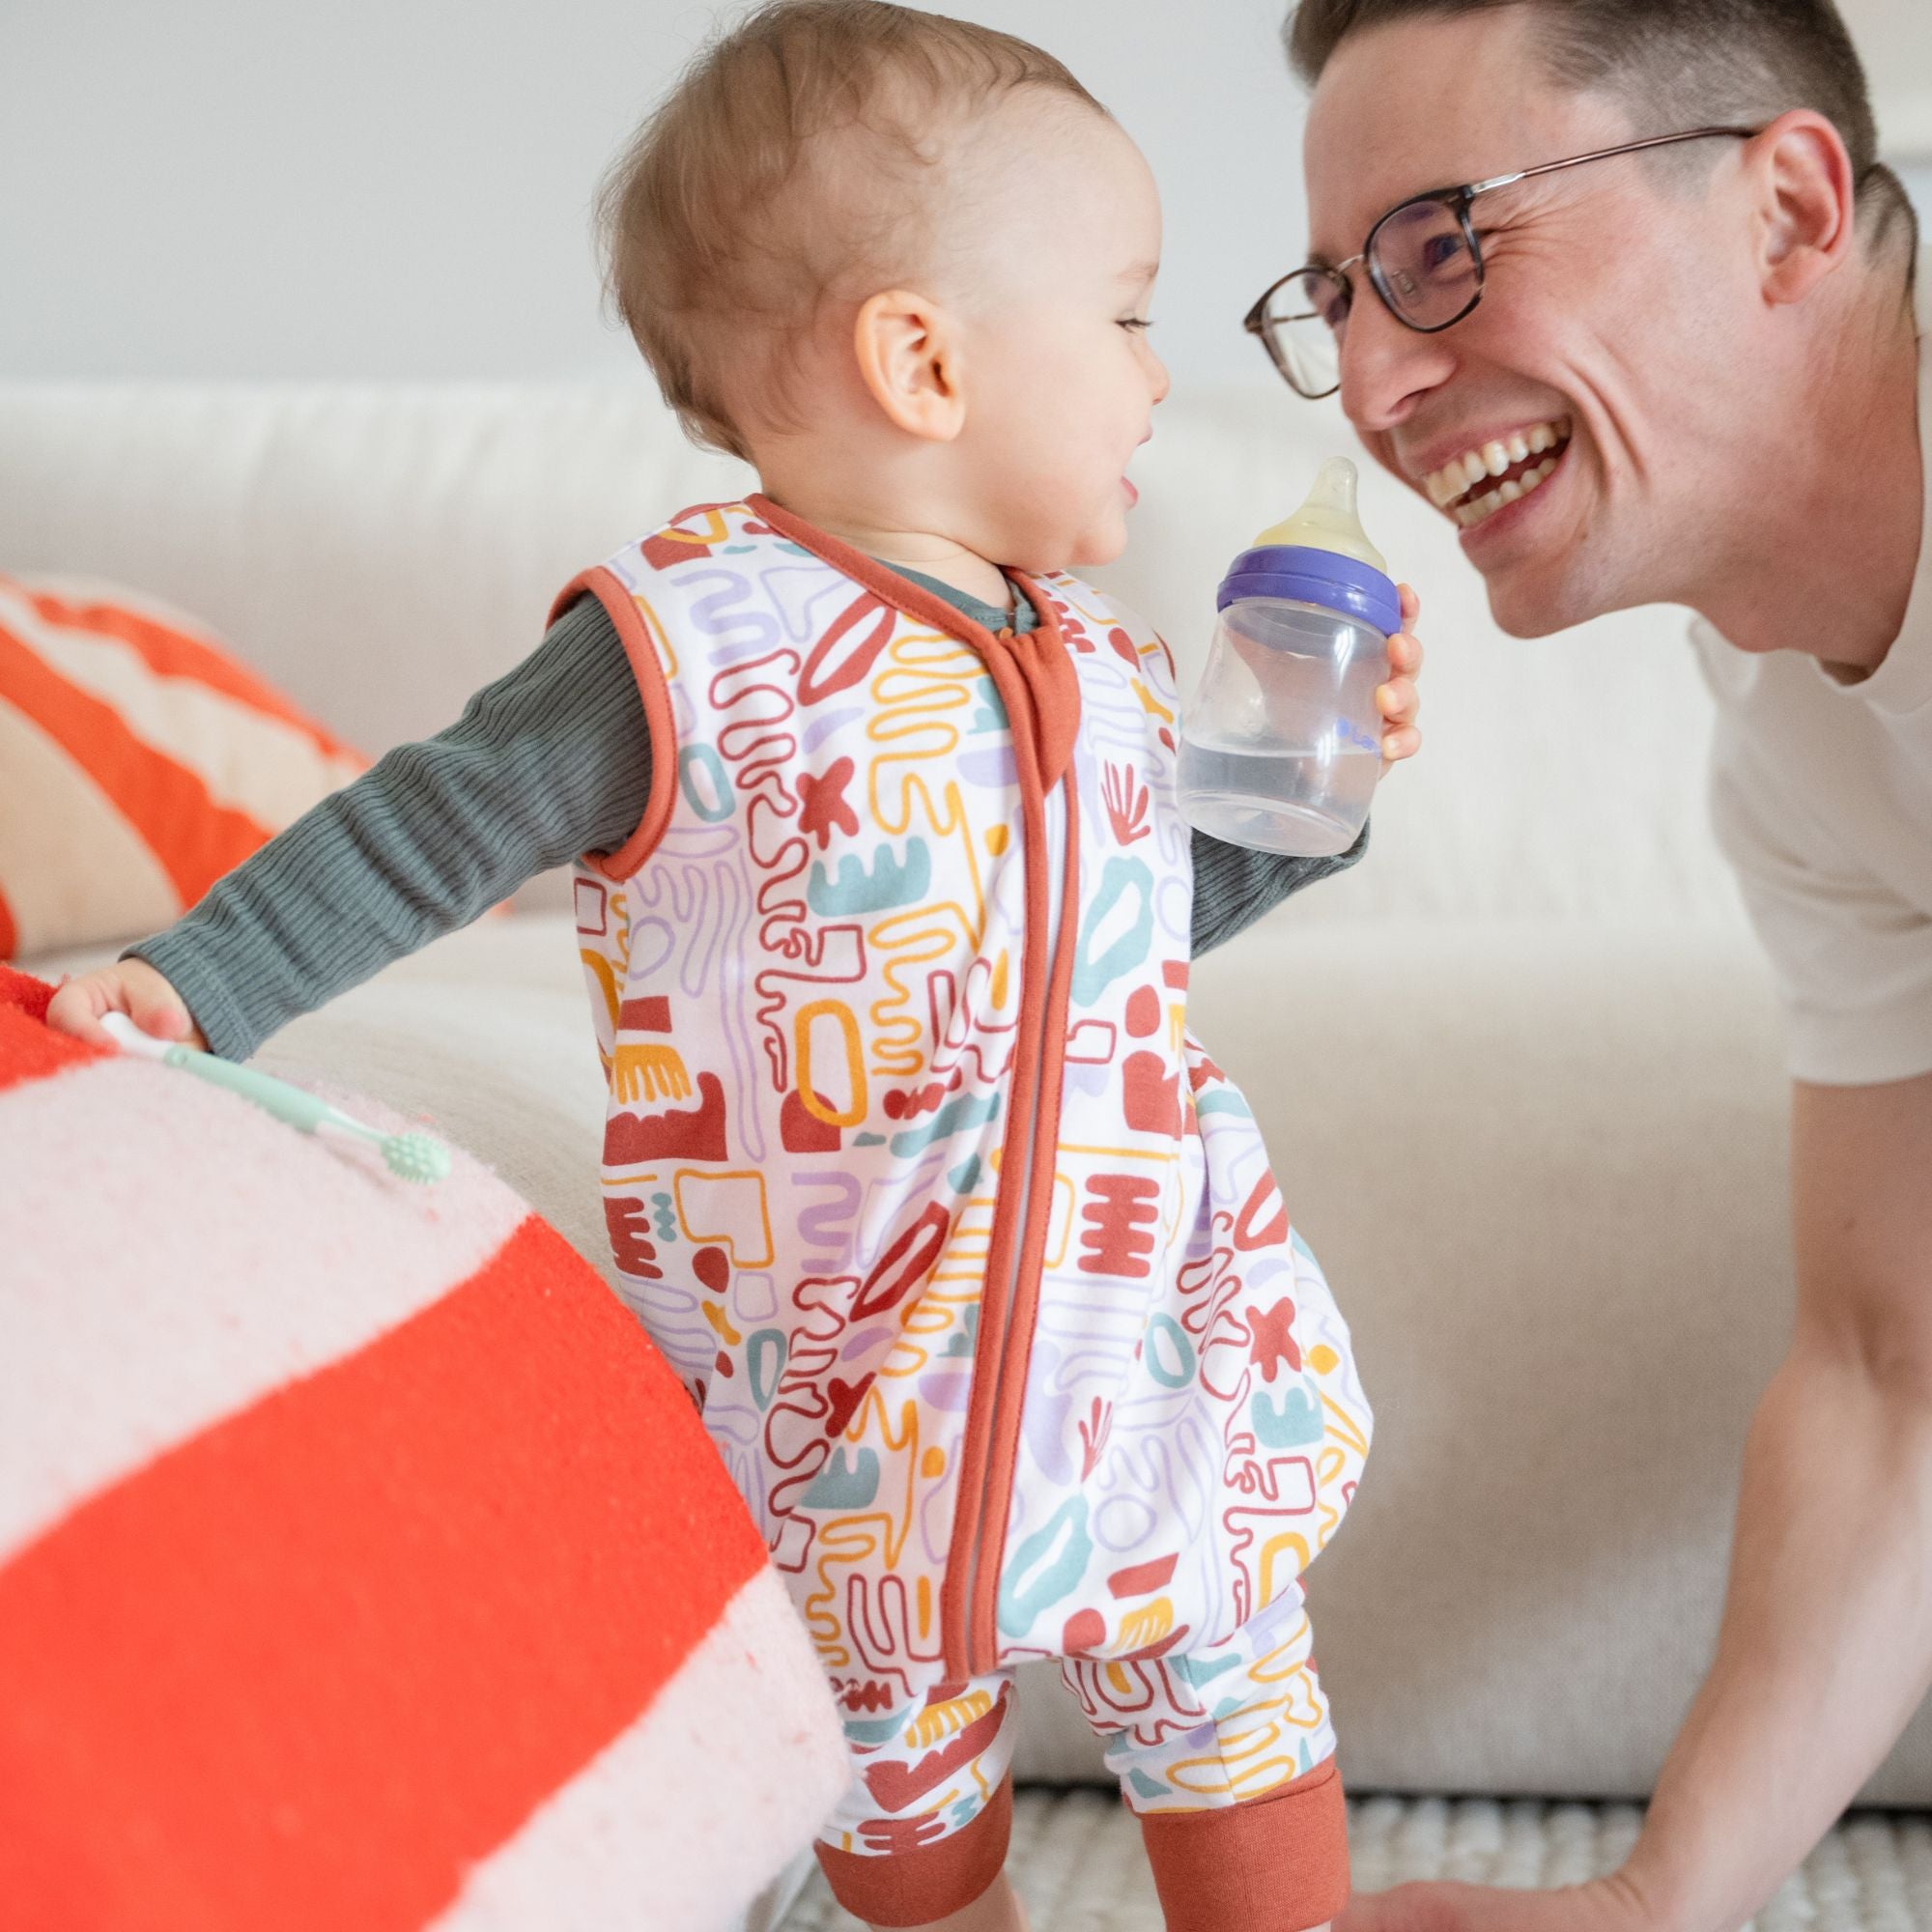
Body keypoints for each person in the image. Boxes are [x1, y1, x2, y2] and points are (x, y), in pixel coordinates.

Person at [47, 6, 1426, 1929]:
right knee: (895, 1776)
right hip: (840, 1377)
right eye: (1123, 315)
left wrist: (1304, 809)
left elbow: (1126, 937)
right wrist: (201, 981)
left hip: (1147, 1336)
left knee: (1234, 1682)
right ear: (922, 359)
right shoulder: (689, 649)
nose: (1153, 371)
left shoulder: (1110, 664)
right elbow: (426, 824)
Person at [1252, 2, 1932, 1928]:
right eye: (1338, 298)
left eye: (1442, 248)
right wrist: (1656, 1901)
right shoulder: (1802, 749)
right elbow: (1894, 1374)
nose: (1375, 384)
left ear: (1786, 210)